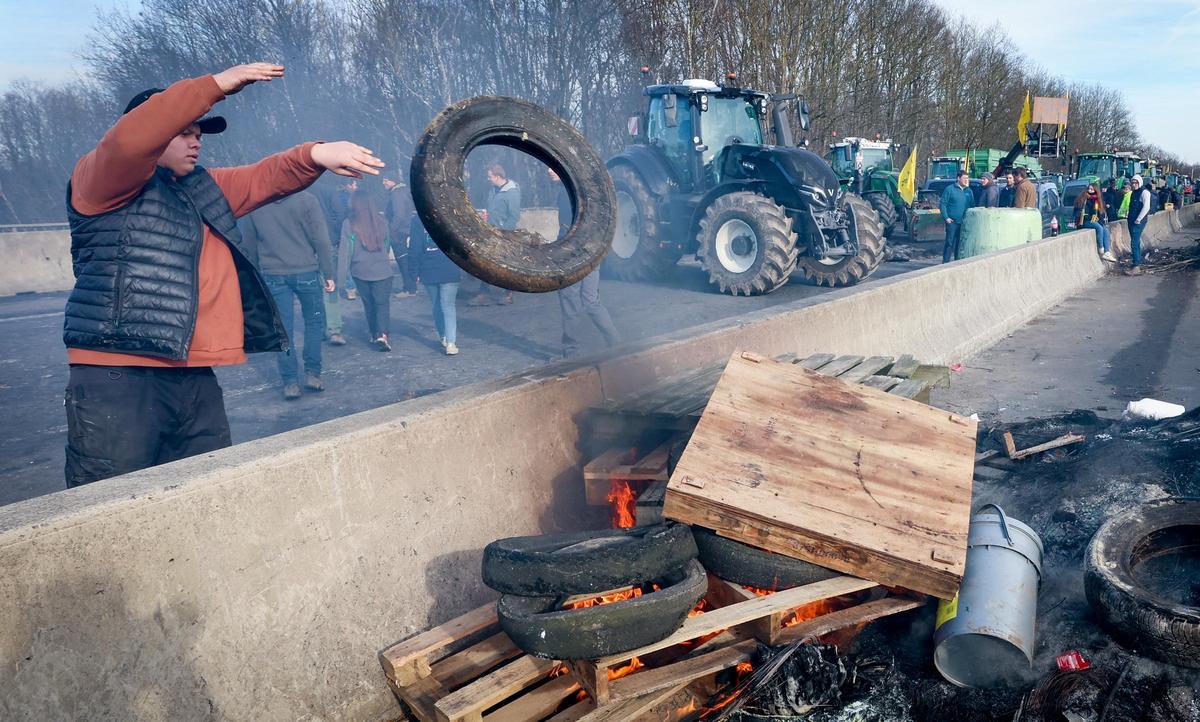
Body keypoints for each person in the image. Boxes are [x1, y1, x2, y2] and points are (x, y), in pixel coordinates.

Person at [61, 62, 383, 487]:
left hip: (191, 372)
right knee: (111, 501)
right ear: (156, 131)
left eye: (199, 135)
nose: (196, 143)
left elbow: (264, 177)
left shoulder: (201, 185)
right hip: (118, 373)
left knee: (205, 491)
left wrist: (314, 154)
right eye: (184, 133)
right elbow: (129, 142)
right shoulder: (101, 179)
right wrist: (214, 86)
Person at [241, 190, 336, 399]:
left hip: (273, 274)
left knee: (283, 329)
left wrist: (255, 277)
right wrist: (328, 272)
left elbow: (248, 245)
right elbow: (321, 239)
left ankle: (290, 382)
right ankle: (312, 373)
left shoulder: (255, 203)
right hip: (307, 271)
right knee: (314, 323)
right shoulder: (308, 200)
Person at [549, 167, 620, 357]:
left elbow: (567, 230)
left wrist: (557, 252)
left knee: (569, 299)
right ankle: (615, 341)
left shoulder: (566, 193)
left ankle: (572, 351)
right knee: (591, 300)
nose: (549, 170)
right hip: (593, 251)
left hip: (574, 253)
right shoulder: (590, 193)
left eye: (552, 167)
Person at [340, 187, 396, 350]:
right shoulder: (382, 221)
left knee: (369, 303)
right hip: (383, 270)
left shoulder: (349, 224)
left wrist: (341, 278)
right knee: (382, 304)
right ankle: (382, 335)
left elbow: (345, 252)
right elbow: (387, 245)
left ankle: (374, 333)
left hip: (360, 271)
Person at [466, 164, 520, 306]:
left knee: (506, 266)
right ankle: (483, 293)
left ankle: (508, 294)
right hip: (490, 232)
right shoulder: (493, 190)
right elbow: (492, 209)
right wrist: (486, 216)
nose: (488, 179)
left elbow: (514, 217)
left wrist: (503, 231)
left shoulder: (512, 192)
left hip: (504, 235)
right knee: (487, 263)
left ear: (497, 176)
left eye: (490, 176)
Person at [411, 211, 462, 355]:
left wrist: (413, 272)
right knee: (449, 305)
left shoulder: (417, 219)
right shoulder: (450, 214)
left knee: (436, 305)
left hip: (428, 268)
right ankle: (451, 342)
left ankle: (443, 336)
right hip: (449, 266)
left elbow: (415, 248)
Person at [384, 176, 418, 297]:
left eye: (386, 180)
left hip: (398, 232)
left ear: (393, 181)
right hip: (406, 230)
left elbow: (399, 214)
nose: (384, 183)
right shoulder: (405, 191)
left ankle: (408, 288)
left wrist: (391, 229)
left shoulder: (396, 194)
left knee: (402, 260)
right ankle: (411, 287)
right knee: (407, 259)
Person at [1074, 183, 1115, 262]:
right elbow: (1081, 213)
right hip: (1084, 221)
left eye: (1092, 189)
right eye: (1089, 189)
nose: (1090, 191)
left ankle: (1107, 252)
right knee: (1099, 228)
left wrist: (1098, 219)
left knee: (1105, 230)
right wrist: (1091, 218)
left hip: (1094, 220)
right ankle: (1101, 249)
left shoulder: (1098, 200)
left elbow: (1100, 214)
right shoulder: (1083, 199)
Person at [939, 169, 974, 263]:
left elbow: (972, 206)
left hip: (964, 222)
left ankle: (957, 262)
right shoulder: (950, 189)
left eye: (967, 178)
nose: (966, 180)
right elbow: (943, 204)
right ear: (958, 178)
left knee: (960, 243)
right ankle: (945, 263)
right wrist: (946, 217)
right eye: (964, 178)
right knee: (950, 243)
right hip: (952, 222)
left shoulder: (969, 191)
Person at [1126, 174, 1153, 273]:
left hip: (1138, 221)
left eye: (1136, 182)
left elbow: (1146, 207)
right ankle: (1136, 262)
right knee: (1135, 242)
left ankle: (1136, 265)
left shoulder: (1144, 192)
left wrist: (1139, 219)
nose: (1134, 184)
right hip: (1131, 220)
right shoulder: (1133, 193)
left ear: (1140, 182)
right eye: (1132, 182)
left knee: (1134, 242)